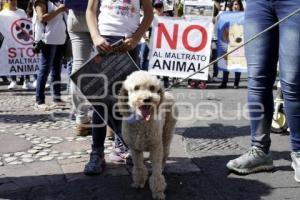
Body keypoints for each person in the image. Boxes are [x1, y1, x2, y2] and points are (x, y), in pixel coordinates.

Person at [226, 0, 300, 183]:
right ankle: (260, 151)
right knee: (257, 79)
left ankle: (298, 153)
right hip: (258, 4)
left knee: (292, 80)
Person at [84, 0, 153, 175]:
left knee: (129, 100)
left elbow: (149, 13)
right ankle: (97, 153)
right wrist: (95, 37)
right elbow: (90, 10)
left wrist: (137, 38)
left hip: (129, 45)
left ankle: (131, 149)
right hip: (103, 42)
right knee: (100, 102)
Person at [65, 0, 93, 136]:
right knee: (108, 64)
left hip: (75, 14)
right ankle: (110, 123)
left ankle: (81, 119)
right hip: (98, 13)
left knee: (78, 67)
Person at [33, 0, 67, 110]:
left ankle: (56, 98)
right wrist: (59, 10)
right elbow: (42, 18)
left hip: (60, 39)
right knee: (44, 71)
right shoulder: (41, 1)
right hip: (47, 40)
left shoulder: (58, 1)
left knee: (56, 70)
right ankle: (39, 101)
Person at [218, 0, 244, 89]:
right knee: (227, 63)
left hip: (239, 43)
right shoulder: (227, 15)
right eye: (233, 4)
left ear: (240, 6)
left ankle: (236, 83)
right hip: (228, 42)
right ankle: (224, 82)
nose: (235, 6)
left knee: (238, 63)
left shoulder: (243, 15)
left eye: (237, 4)